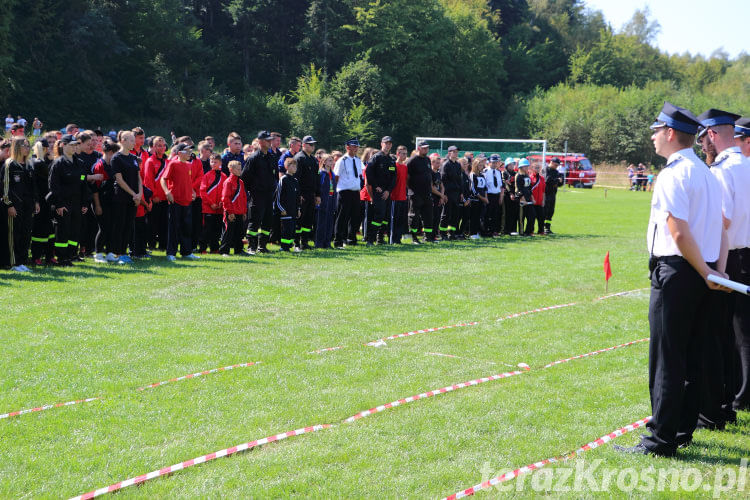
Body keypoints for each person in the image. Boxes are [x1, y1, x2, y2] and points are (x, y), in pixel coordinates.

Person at [615, 102, 730, 457]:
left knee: (667, 356)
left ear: (669, 133)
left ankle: (661, 439)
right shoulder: (705, 172)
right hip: (702, 271)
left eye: (655, 130)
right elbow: (723, 229)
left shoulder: (673, 173)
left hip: (680, 271)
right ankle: (681, 430)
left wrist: (706, 270)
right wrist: (715, 270)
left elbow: (678, 232)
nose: (651, 137)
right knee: (692, 354)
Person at [698, 109, 750, 416]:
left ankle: (737, 395)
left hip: (731, 256)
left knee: (729, 333)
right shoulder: (745, 165)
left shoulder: (722, 170)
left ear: (713, 134)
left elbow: (723, 219)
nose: (704, 143)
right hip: (747, 251)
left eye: (705, 137)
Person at [47, 134, 90, 266]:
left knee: (75, 230)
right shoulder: (58, 163)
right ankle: (62, 257)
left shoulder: (80, 163)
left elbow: (83, 185)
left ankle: (72, 254)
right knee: (63, 231)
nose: (74, 147)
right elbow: (53, 186)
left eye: (75, 145)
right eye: (71, 145)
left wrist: (85, 203)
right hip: (63, 203)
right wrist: (59, 204)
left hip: (77, 203)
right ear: (63, 145)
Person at [1, 137, 37, 271]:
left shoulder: (29, 164)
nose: (28, 148)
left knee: (25, 233)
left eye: (29, 146)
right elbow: (5, 187)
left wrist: (36, 201)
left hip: (28, 206)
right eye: (25, 146)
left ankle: (21, 261)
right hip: (14, 206)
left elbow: (33, 187)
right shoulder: (9, 164)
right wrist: (9, 204)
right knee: (13, 234)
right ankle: (12, 262)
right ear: (17, 147)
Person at [160, 142, 200, 261]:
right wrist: (167, 192)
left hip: (187, 200)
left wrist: (192, 192)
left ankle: (186, 252)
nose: (190, 153)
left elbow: (187, 181)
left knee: (186, 227)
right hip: (175, 200)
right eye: (187, 151)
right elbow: (163, 179)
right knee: (173, 227)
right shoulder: (173, 164)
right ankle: (171, 253)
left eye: (190, 151)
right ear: (179, 153)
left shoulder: (189, 165)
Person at [241, 131, 277, 254]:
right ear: (260, 141)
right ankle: (251, 247)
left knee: (267, 221)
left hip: (269, 195)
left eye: (270, 140)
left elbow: (275, 176)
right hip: (257, 195)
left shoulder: (271, 157)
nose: (270, 142)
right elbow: (244, 177)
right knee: (254, 221)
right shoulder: (253, 158)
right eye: (267, 140)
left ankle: (262, 246)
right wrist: (253, 190)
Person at [110, 131, 142, 264]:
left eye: (134, 140)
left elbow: (139, 177)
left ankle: (124, 252)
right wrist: (133, 193)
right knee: (120, 225)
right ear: (123, 141)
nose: (134, 143)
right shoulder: (116, 158)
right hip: (122, 197)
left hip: (134, 198)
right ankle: (118, 254)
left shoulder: (134, 158)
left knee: (129, 225)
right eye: (131, 140)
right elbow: (119, 179)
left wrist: (139, 194)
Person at [364, 136, 396, 245]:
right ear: (381, 144)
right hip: (378, 192)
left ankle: (380, 238)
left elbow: (394, 177)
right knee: (378, 215)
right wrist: (375, 185)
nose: (388, 145)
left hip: (387, 192)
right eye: (386, 143)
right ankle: (370, 239)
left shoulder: (391, 159)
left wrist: (388, 190)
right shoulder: (376, 157)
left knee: (386, 217)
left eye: (390, 143)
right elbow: (369, 173)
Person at [91, 140, 119, 263]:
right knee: (103, 228)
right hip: (101, 201)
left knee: (112, 227)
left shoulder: (113, 165)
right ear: (110, 153)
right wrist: (97, 205)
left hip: (112, 201)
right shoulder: (99, 166)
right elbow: (95, 189)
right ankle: (98, 254)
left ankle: (109, 252)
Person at [333, 139, 364, 248]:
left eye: (357, 147)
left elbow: (360, 175)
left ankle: (351, 239)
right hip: (344, 191)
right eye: (353, 146)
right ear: (347, 147)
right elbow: (336, 177)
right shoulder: (342, 160)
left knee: (355, 217)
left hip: (355, 191)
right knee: (342, 217)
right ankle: (338, 241)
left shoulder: (357, 160)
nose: (355, 148)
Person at [29, 139, 56, 265]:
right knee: (41, 230)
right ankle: (38, 256)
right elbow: (50, 176)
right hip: (42, 201)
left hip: (43, 200)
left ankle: (46, 255)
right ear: (45, 149)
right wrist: (52, 160)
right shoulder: (39, 162)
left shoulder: (33, 161)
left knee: (48, 230)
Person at [293, 135, 321, 250]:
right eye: (310, 144)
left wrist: (318, 194)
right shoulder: (299, 158)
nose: (313, 146)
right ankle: (296, 243)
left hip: (311, 194)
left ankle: (304, 243)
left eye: (313, 144)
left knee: (308, 220)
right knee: (299, 219)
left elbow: (317, 178)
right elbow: (295, 178)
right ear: (303, 145)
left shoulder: (313, 159)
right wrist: (298, 195)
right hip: (302, 194)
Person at [407, 141, 436, 244]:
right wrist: (411, 190)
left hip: (426, 193)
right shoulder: (412, 160)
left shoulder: (427, 160)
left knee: (428, 215)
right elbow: (407, 177)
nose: (426, 150)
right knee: (414, 216)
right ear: (419, 148)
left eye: (427, 148)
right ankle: (414, 238)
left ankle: (428, 237)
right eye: (424, 148)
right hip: (416, 193)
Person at [143, 136, 169, 250]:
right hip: (155, 198)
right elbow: (148, 180)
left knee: (164, 223)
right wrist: (153, 196)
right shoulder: (150, 161)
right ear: (153, 147)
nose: (162, 147)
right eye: (159, 145)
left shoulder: (168, 161)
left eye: (163, 145)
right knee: (152, 223)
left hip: (166, 198)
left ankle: (163, 245)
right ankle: (151, 245)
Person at [218, 160, 247, 256]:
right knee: (228, 231)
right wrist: (230, 212)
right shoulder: (228, 182)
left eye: (240, 169)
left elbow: (243, 198)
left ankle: (239, 250)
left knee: (239, 232)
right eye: (238, 169)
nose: (240, 171)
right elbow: (225, 198)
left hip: (239, 211)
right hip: (231, 212)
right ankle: (224, 251)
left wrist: (244, 211)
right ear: (231, 169)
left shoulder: (241, 182)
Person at [199, 153, 226, 253]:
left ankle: (214, 248)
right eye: (212, 162)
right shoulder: (206, 176)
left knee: (217, 230)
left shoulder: (224, 176)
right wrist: (211, 203)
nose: (213, 164)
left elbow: (225, 192)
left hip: (219, 209)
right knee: (206, 229)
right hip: (208, 208)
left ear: (220, 163)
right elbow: (202, 191)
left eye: (215, 162)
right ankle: (202, 248)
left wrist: (221, 203)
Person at [275, 158, 300, 252]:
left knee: (292, 229)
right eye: (292, 166)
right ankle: (284, 247)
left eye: (295, 166)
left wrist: (298, 209)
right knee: (286, 229)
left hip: (293, 210)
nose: (294, 168)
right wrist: (281, 209)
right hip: (285, 210)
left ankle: (289, 245)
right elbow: (278, 196)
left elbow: (297, 197)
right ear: (286, 167)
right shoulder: (283, 179)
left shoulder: (295, 180)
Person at [438, 145, 463, 241]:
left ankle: (451, 233)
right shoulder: (446, 165)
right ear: (449, 153)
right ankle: (443, 234)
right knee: (446, 214)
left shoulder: (457, 165)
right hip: (448, 193)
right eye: (454, 152)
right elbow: (443, 181)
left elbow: (459, 180)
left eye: (457, 152)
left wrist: (461, 192)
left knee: (455, 215)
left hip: (456, 193)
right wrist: (444, 194)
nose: (456, 153)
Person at [315, 153, 336, 248]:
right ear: (323, 162)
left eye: (332, 160)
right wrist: (318, 197)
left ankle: (327, 242)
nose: (332, 162)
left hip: (331, 198)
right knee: (322, 221)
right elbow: (318, 186)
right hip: (324, 199)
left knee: (330, 221)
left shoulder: (332, 173)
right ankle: (319, 243)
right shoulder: (321, 173)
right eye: (329, 160)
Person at [390, 145, 409, 245]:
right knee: (394, 219)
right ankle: (392, 239)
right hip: (394, 197)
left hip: (403, 197)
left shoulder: (405, 167)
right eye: (403, 153)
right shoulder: (394, 166)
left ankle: (398, 239)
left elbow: (405, 182)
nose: (405, 155)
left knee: (401, 219)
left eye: (406, 153)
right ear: (397, 154)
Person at [469, 157, 489, 239]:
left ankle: (478, 232)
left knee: (479, 217)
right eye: (479, 165)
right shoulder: (472, 175)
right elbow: (473, 189)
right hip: (475, 200)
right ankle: (472, 233)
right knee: (474, 217)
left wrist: (486, 198)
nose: (481, 166)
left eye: (481, 165)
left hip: (482, 200)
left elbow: (485, 188)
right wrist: (481, 197)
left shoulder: (482, 175)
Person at [483, 155, 503, 236]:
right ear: (489, 162)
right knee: (488, 214)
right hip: (489, 195)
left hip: (496, 195)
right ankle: (486, 230)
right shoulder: (485, 171)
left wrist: (501, 197)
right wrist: (486, 197)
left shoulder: (498, 172)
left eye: (496, 162)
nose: (494, 164)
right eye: (493, 162)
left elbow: (500, 186)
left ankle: (493, 230)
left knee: (495, 214)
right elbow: (484, 186)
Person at [543, 158, 563, 234]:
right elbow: (547, 180)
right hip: (545, 194)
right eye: (555, 165)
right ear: (551, 162)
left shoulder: (556, 171)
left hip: (553, 194)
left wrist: (560, 180)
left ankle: (547, 228)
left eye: (557, 165)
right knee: (545, 211)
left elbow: (559, 184)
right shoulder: (546, 169)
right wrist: (557, 180)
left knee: (551, 212)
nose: (556, 166)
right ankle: (541, 228)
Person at [515, 159, 533, 236]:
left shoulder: (527, 175)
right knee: (521, 217)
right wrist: (523, 199)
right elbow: (518, 189)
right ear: (521, 167)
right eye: (525, 166)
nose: (527, 168)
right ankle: (521, 233)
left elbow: (529, 187)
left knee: (532, 216)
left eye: (527, 166)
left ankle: (528, 231)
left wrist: (532, 198)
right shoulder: (518, 176)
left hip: (528, 199)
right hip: (521, 200)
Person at [502, 157, 519, 235]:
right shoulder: (504, 173)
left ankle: (513, 229)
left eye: (513, 164)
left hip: (515, 196)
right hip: (507, 196)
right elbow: (506, 184)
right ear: (507, 165)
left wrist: (516, 193)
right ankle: (506, 229)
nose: (512, 166)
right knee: (507, 213)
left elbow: (517, 185)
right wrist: (510, 193)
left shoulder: (516, 173)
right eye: (510, 164)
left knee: (515, 213)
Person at [530, 162, 546, 235]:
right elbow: (529, 190)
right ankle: (531, 231)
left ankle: (541, 231)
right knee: (532, 217)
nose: (537, 169)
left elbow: (543, 190)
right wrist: (532, 199)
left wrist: (543, 200)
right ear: (532, 168)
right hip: (532, 201)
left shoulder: (542, 178)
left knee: (541, 217)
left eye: (538, 167)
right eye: (536, 167)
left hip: (540, 201)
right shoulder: (530, 178)